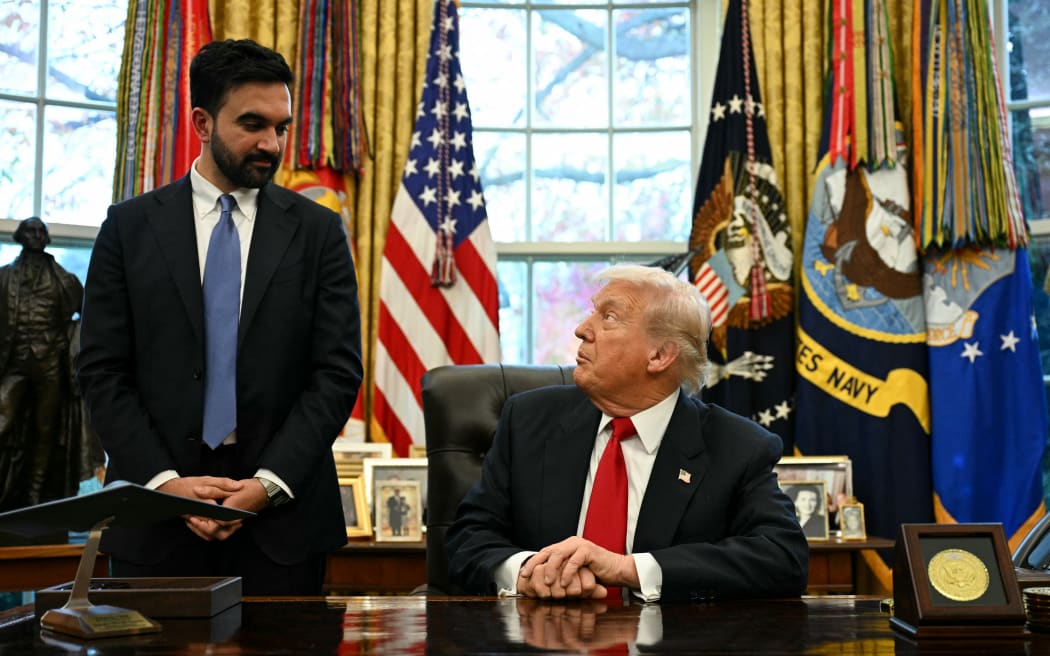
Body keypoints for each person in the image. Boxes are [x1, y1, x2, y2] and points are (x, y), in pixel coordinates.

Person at [77, 39, 363, 595]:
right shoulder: (127, 228)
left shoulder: (319, 233)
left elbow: (336, 374)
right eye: (252, 124)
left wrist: (266, 485)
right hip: (151, 525)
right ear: (202, 123)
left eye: (280, 127)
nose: (270, 144)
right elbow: (102, 373)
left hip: (283, 527)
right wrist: (165, 485)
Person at [446, 264, 808, 601]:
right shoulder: (527, 421)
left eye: (608, 317)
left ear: (659, 356)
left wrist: (628, 569)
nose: (582, 329)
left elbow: (783, 558)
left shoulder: (736, 447)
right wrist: (525, 571)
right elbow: (468, 537)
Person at [0, 217, 102, 515]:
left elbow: (91, 318)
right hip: (13, 364)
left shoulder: (66, 279)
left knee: (46, 431)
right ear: (20, 236)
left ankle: (36, 497)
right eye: (31, 230)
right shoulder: (4, 277)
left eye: (41, 230)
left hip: (51, 365)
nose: (36, 235)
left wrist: (72, 346)